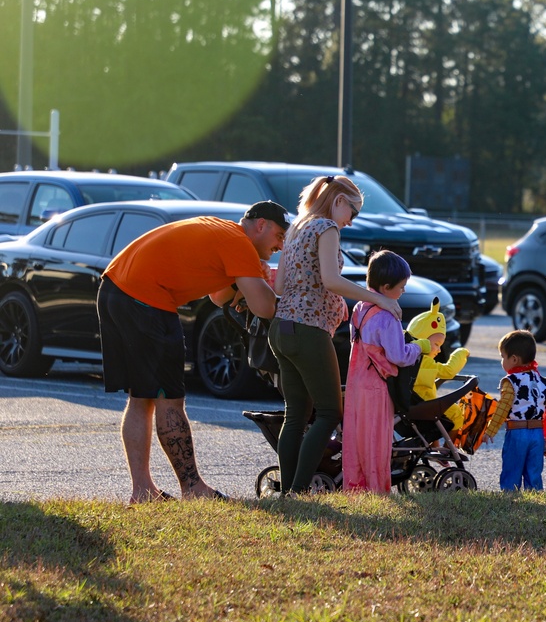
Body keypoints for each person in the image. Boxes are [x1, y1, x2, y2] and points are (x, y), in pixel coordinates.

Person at [98, 201, 287, 504]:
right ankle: (193, 487)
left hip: (115, 287)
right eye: (279, 235)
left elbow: (218, 296)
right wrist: (266, 286)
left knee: (141, 397)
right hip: (146, 299)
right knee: (169, 397)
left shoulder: (225, 231)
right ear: (261, 225)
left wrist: (245, 284)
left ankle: (143, 491)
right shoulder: (239, 243)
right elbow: (265, 307)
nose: (280, 245)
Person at [268, 177, 403, 496]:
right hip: (308, 331)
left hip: (281, 329)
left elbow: (280, 286)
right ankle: (299, 491)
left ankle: (290, 493)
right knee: (329, 412)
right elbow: (330, 279)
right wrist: (378, 298)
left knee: (296, 414)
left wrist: (333, 300)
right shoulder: (327, 228)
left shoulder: (297, 227)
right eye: (352, 212)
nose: (351, 220)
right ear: (339, 200)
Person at [342, 250, 435, 493]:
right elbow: (398, 356)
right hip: (377, 386)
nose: (404, 291)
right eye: (402, 287)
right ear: (386, 287)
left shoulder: (360, 308)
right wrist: (417, 347)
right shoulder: (388, 316)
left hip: (356, 382)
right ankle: (377, 490)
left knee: (357, 438)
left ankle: (355, 487)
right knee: (377, 441)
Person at [482, 330, 546, 491]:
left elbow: (503, 408)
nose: (502, 361)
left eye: (503, 357)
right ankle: (536, 494)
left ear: (514, 359)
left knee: (512, 467)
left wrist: (490, 430)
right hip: (537, 433)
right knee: (534, 470)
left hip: (518, 432)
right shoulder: (540, 379)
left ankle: (510, 497)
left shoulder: (511, 381)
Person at [406, 298, 470, 434]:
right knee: (456, 414)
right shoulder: (424, 362)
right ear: (422, 339)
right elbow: (448, 371)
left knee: (432, 422)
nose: (439, 350)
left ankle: (434, 447)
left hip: (411, 405)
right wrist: (461, 353)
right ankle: (452, 449)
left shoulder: (406, 358)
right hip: (424, 406)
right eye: (437, 344)